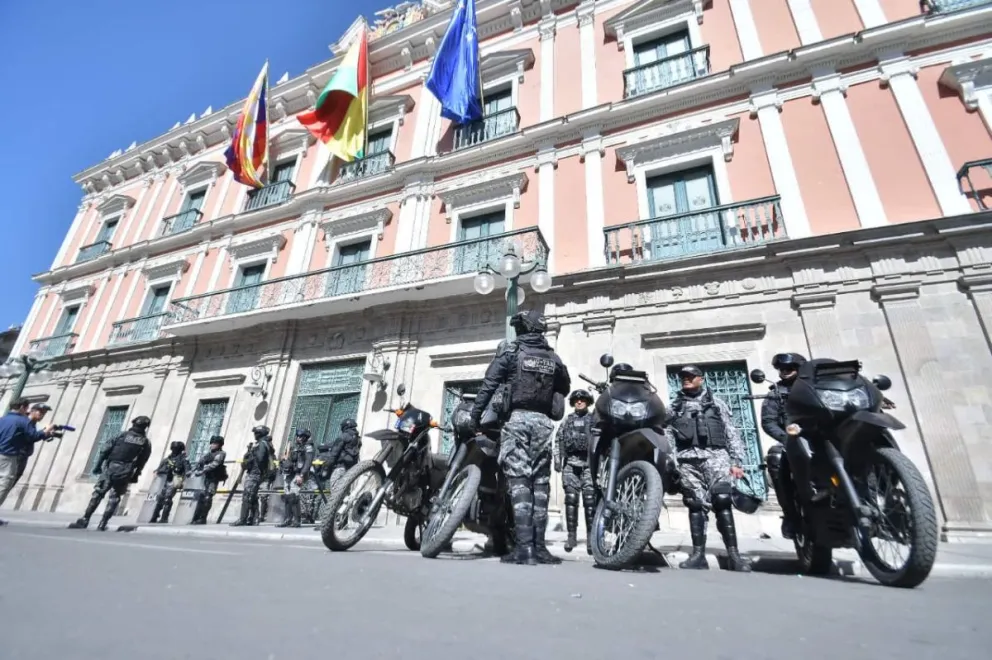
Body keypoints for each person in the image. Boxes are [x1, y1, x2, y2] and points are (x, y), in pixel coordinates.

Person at [469, 309, 571, 566]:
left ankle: (525, 549)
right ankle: (540, 548)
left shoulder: (511, 352)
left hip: (517, 422)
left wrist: (475, 416)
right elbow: (565, 387)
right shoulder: (553, 358)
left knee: (519, 483)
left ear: (523, 329)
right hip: (544, 425)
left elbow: (489, 384)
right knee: (540, 486)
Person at [666, 366, 751, 572]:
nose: (686, 380)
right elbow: (667, 433)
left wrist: (736, 462)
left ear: (700, 379)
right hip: (687, 461)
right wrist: (671, 458)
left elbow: (731, 431)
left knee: (722, 502)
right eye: (683, 377)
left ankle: (734, 555)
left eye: (690, 377)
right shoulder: (674, 407)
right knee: (695, 504)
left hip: (716, 458)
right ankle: (698, 556)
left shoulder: (716, 403)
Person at [68, 416, 153, 531]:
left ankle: (85, 519)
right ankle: (103, 523)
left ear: (133, 423)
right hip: (125, 471)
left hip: (111, 468)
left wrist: (97, 466)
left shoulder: (121, 435)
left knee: (98, 494)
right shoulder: (145, 442)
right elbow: (142, 461)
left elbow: (104, 450)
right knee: (115, 497)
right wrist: (136, 475)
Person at [761, 352, 807, 540]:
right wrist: (786, 439)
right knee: (776, 457)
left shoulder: (816, 387)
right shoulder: (776, 394)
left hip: (826, 439)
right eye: (781, 368)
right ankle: (790, 513)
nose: (785, 371)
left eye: (790, 367)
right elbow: (768, 421)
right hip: (794, 442)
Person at [554, 389, 596, 554]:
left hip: (588, 465)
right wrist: (557, 460)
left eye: (583, 399)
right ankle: (571, 536)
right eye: (577, 400)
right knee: (571, 500)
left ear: (587, 402)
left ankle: (591, 539)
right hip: (570, 464)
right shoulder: (567, 420)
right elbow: (558, 440)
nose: (579, 402)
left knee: (590, 502)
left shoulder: (594, 420)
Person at [0, 399, 55, 523]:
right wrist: (45, 431)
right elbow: (32, 436)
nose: (41, 414)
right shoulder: (24, 421)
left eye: (44, 413)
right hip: (11, 455)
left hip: (12, 455)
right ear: (26, 409)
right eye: (39, 411)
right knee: (5, 483)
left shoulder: (3, 419)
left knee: (7, 483)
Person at [311, 418, 361, 528]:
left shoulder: (344, 436)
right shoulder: (357, 438)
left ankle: (329, 522)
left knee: (335, 495)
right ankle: (343, 521)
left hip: (340, 468)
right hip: (350, 470)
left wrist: (326, 468)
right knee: (345, 495)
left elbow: (334, 453)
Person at [231, 426, 275, 527]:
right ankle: (255, 518)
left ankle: (243, 519)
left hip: (255, 473)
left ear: (260, 433)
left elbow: (259, 459)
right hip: (256, 472)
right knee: (253, 496)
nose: (254, 435)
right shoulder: (261, 443)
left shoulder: (262, 444)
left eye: (256, 433)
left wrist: (250, 458)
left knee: (247, 495)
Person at [279, 429, 314, 528]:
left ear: (305, 437)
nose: (298, 438)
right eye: (297, 436)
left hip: (298, 474)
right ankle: (287, 519)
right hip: (290, 474)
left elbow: (308, 463)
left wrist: (302, 475)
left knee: (294, 497)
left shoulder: (308, 447)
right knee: (287, 497)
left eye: (301, 436)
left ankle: (297, 521)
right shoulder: (295, 447)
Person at [150, 441, 190, 524]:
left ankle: (164, 518)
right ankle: (154, 516)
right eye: (174, 449)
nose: (174, 450)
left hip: (174, 480)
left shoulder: (183, 459)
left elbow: (187, 471)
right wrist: (157, 472)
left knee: (168, 499)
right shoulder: (167, 459)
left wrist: (185, 481)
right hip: (164, 481)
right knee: (160, 498)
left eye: (176, 449)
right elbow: (159, 468)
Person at [190, 436, 227, 525]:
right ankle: (196, 518)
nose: (212, 445)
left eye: (214, 444)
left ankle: (203, 518)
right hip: (205, 478)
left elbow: (215, 464)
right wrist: (192, 470)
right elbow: (199, 463)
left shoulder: (221, 453)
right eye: (211, 443)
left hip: (213, 478)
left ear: (219, 445)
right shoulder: (208, 454)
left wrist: (202, 471)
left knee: (208, 497)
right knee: (201, 497)